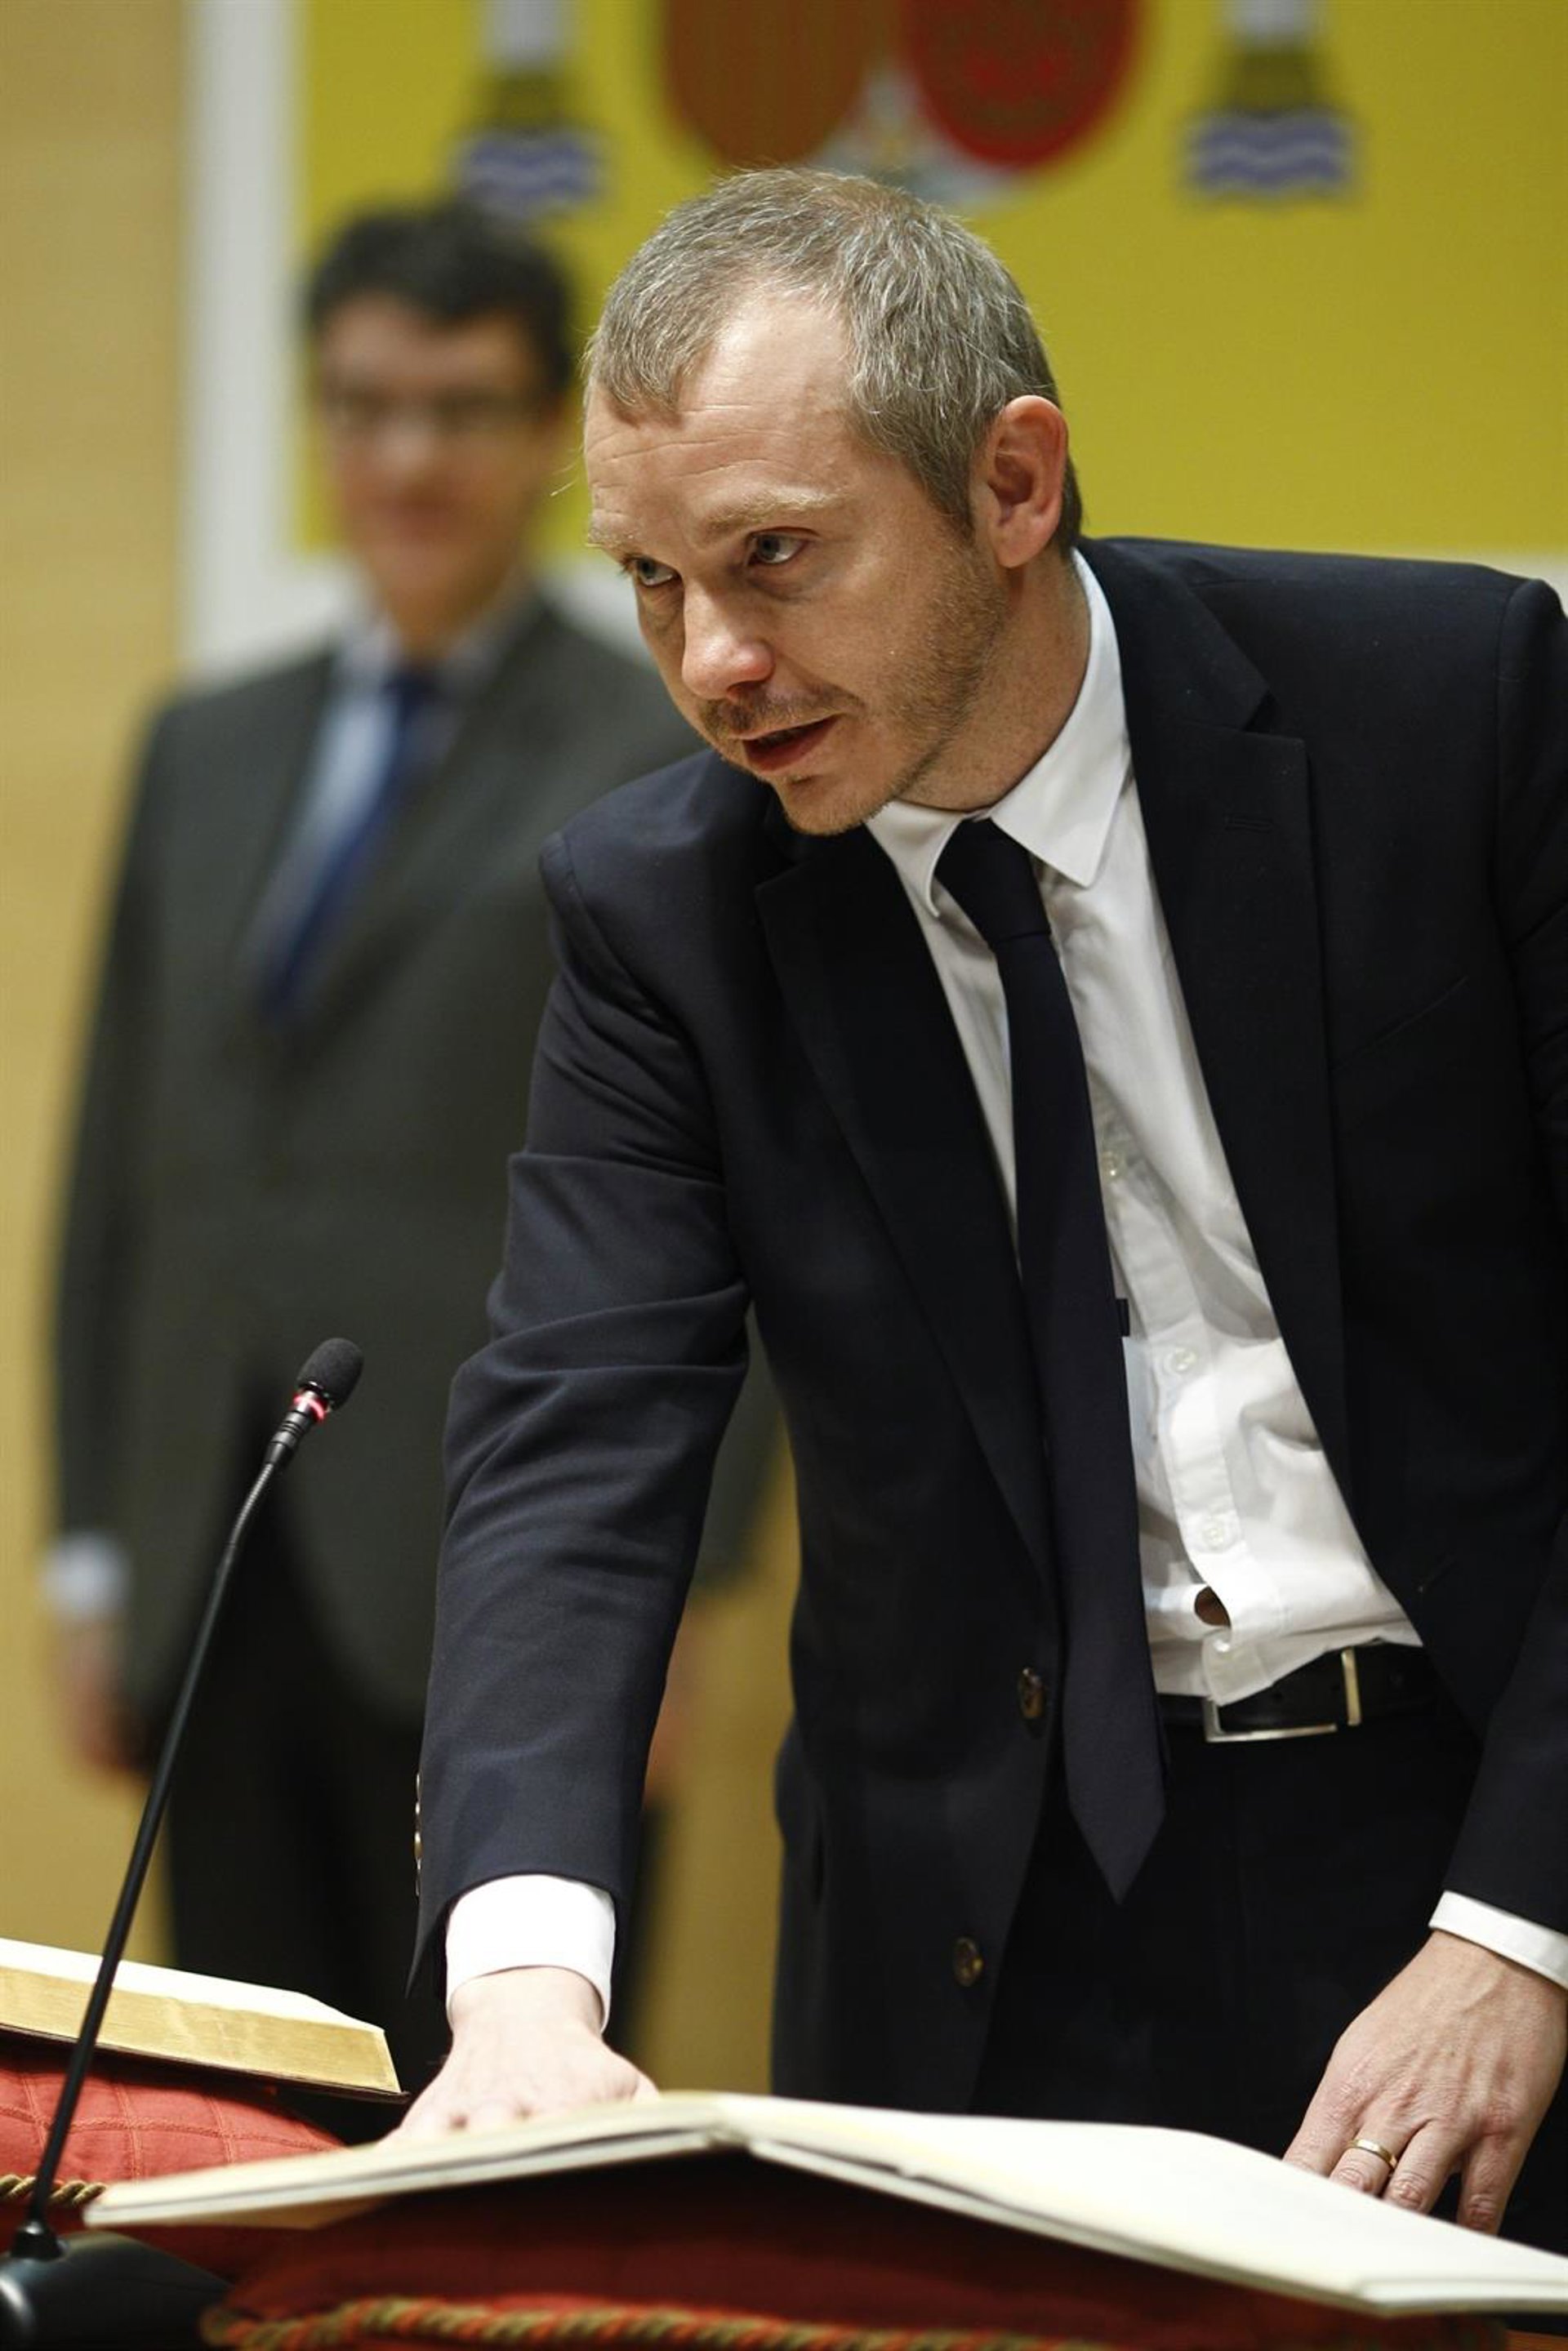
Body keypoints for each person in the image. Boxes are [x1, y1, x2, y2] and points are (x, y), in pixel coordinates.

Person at [403, 169, 1566, 2251]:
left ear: (1011, 484)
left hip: (1473, 1820)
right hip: (987, 1928)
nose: (714, 661)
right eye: (653, 582)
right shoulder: (663, 912)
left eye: (773, 556)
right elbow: (575, 1442)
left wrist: (1523, 1927)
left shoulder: (1452, 716)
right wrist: (521, 1986)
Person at [46, 198, 757, 2107]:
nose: (408, 457)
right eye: (363, 406)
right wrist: (92, 1550)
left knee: (496, 2111)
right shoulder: (206, 743)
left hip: (502, 1557)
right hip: (221, 1534)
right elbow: (120, 1160)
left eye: (461, 409)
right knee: (236, 2117)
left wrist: (679, 1590)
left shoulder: (658, 750)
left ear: (546, 438)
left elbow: (736, 1190)